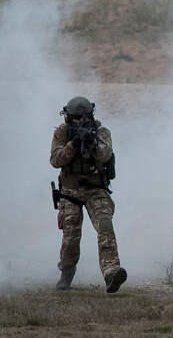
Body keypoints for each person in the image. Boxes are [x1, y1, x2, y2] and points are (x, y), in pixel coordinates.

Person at [50, 96, 127, 293]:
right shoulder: (62, 132)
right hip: (70, 191)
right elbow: (56, 160)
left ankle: (111, 272)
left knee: (105, 226)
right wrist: (74, 143)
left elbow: (105, 155)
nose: (79, 121)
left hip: (96, 190)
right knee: (71, 234)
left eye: (82, 117)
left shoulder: (101, 132)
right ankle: (66, 274)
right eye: (75, 118)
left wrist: (92, 142)